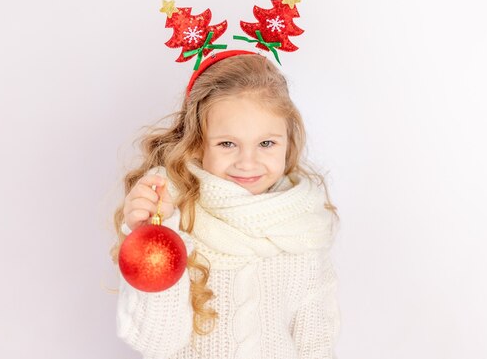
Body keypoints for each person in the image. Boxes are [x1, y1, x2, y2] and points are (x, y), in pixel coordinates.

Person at [110, 50, 340, 359]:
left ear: (289, 141)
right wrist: (157, 236)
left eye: (266, 143)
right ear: (197, 143)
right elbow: (157, 343)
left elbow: (316, 345)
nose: (248, 162)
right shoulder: (176, 214)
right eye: (227, 144)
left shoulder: (304, 227)